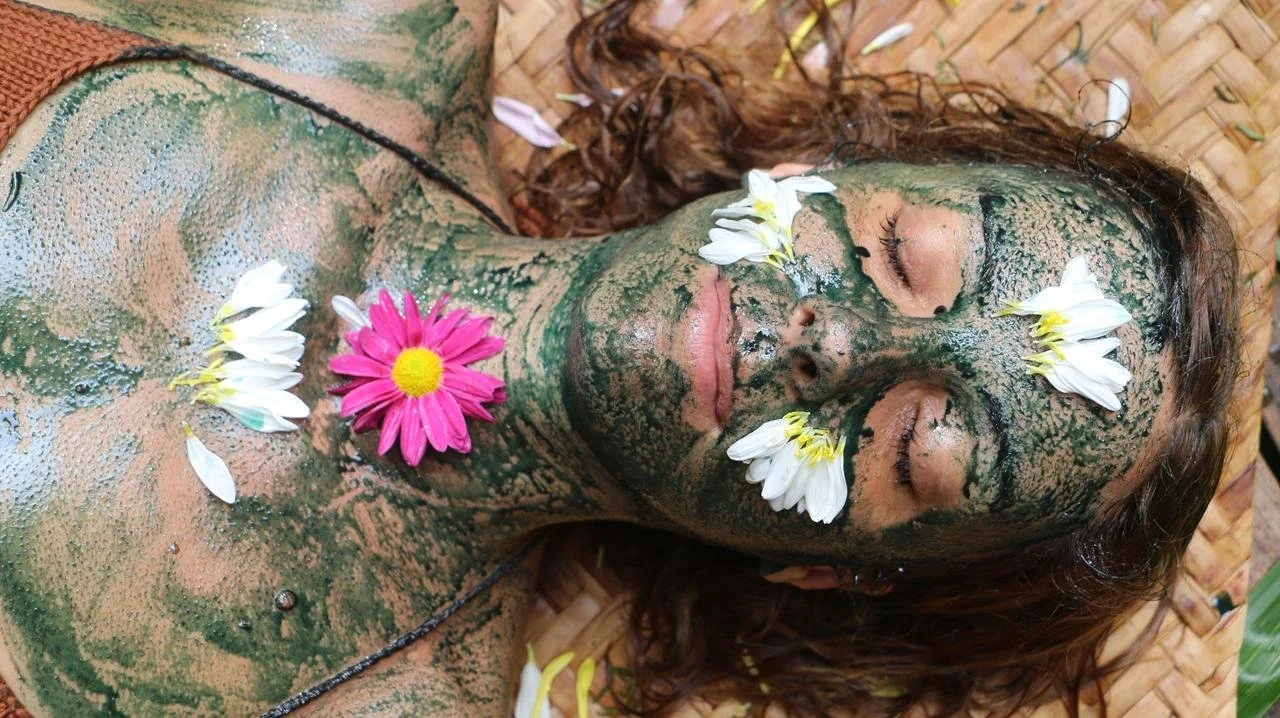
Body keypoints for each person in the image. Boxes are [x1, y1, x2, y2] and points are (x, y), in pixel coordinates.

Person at [0, 0, 1239, 716]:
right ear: (826, 170)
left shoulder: (366, 703)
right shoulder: (348, 22)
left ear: (820, 568)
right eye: (903, 251)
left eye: (922, 442)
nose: (835, 339)